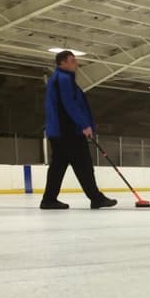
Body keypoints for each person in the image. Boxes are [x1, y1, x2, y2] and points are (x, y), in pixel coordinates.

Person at [40, 50, 116, 209]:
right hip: (68, 131)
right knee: (83, 164)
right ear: (62, 63)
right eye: (72, 61)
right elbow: (70, 104)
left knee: (59, 166)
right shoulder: (63, 79)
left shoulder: (59, 78)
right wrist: (84, 125)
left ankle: (49, 199)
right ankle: (96, 198)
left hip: (59, 131)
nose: (76, 64)